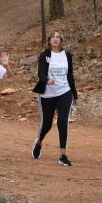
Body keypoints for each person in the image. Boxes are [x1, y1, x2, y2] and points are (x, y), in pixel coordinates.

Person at [31, 30, 78, 166]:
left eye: (58, 37)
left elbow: (70, 75)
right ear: (49, 41)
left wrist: (75, 95)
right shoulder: (45, 55)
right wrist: (47, 80)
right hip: (48, 93)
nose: (56, 39)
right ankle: (39, 142)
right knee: (47, 124)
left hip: (65, 91)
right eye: (53, 37)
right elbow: (41, 73)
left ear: (61, 41)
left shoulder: (67, 55)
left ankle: (62, 155)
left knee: (63, 121)